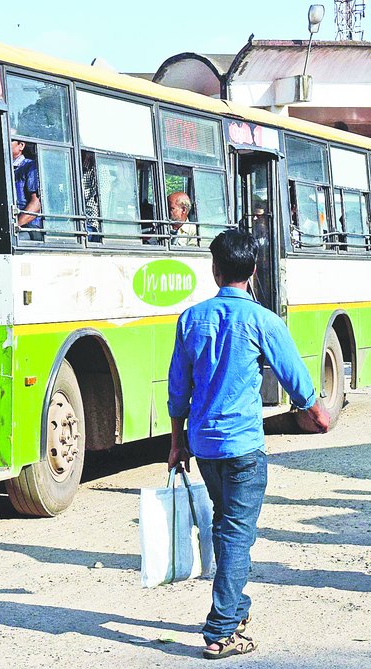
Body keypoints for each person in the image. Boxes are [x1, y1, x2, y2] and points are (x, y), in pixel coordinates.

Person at [167, 230, 330, 660]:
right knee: (237, 534)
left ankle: (236, 609)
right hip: (242, 448)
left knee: (226, 525)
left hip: (204, 446)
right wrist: (317, 415)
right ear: (254, 270)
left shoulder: (191, 319)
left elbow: (178, 390)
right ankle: (221, 631)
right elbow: (296, 379)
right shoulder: (263, 320)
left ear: (215, 270)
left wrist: (177, 443)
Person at [10, 137, 41, 230]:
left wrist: (14, 227)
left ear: (21, 145)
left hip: (26, 227)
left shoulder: (30, 167)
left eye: (10, 140)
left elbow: (36, 204)